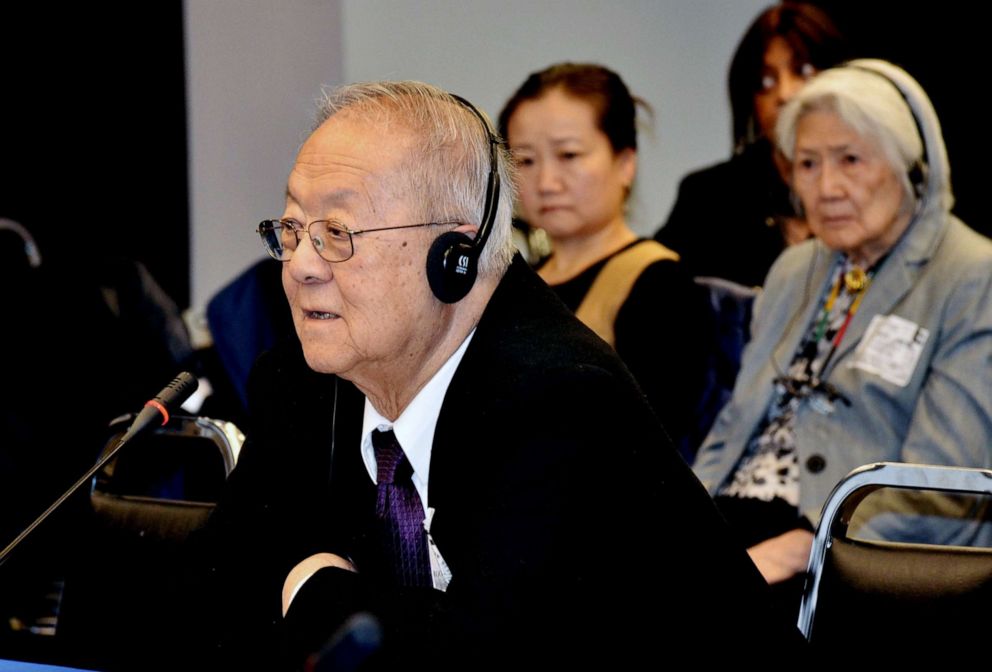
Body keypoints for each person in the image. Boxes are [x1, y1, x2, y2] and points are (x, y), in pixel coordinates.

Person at [186, 81, 800, 670]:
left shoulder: (558, 401)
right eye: (292, 231)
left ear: (454, 257)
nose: (300, 267)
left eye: (338, 234)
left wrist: (313, 588)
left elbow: (478, 661)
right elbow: (209, 606)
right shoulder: (303, 384)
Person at [693, 59, 992, 615]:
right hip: (740, 526)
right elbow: (734, 425)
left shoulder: (971, 275)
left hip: (855, 544)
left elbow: (943, 482)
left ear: (910, 167)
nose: (826, 187)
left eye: (850, 159)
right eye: (807, 163)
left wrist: (803, 550)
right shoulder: (794, 270)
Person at [498, 63, 714, 457]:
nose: (547, 182)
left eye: (569, 155)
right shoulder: (513, 283)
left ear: (625, 162)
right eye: (526, 161)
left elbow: (651, 442)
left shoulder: (657, 283)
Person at [655, 2, 849, 288]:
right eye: (766, 81)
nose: (784, 94)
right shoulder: (707, 198)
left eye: (804, 70)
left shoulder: (875, 185)